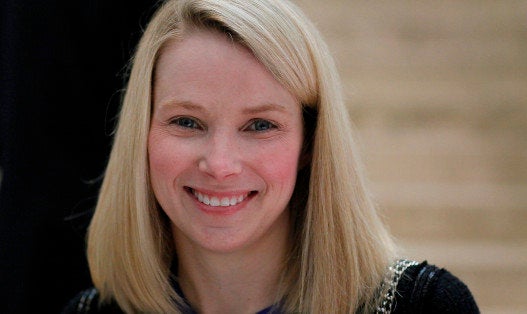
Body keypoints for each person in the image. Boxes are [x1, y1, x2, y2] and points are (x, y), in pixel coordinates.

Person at [63, 0, 479, 313]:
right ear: (143, 134)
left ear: (310, 143)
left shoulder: (423, 308)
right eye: (187, 122)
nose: (220, 164)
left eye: (260, 125)